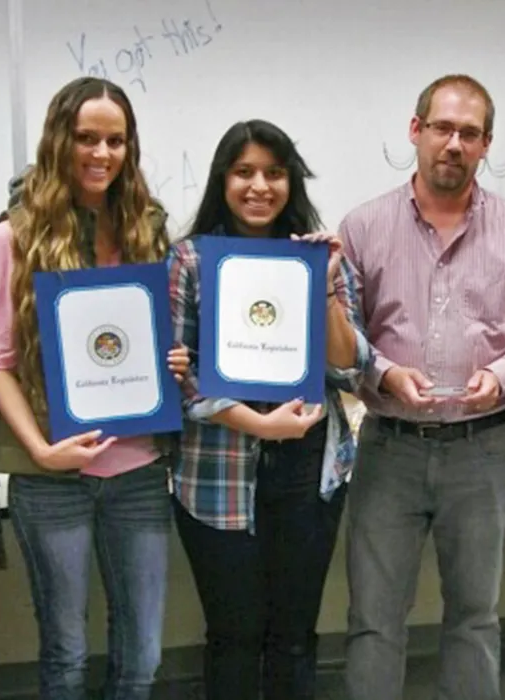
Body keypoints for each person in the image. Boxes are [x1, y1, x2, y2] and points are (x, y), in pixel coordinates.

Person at [338, 74, 505, 700]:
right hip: (390, 447)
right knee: (373, 619)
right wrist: (383, 373)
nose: (454, 143)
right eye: (442, 128)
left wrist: (502, 375)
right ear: (415, 130)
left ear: (486, 144)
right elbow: (341, 337)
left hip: (485, 448)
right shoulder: (363, 227)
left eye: (469, 133)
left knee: (474, 616)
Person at [0, 75, 187, 700]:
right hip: (53, 476)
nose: (102, 153)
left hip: (140, 472)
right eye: (86, 138)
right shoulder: (14, 236)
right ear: (59, 140)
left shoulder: (148, 230)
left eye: (116, 141)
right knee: (66, 655)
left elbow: (159, 338)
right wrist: (41, 452)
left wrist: (175, 360)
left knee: (143, 656)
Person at [168, 119, 370, 699]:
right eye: (244, 172)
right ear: (223, 180)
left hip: (309, 470)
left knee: (294, 636)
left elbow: (349, 365)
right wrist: (259, 424)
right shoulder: (189, 260)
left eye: (274, 173)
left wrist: (324, 284)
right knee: (233, 636)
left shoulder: (320, 257)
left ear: (291, 182)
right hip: (216, 473)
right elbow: (177, 375)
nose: (260, 186)